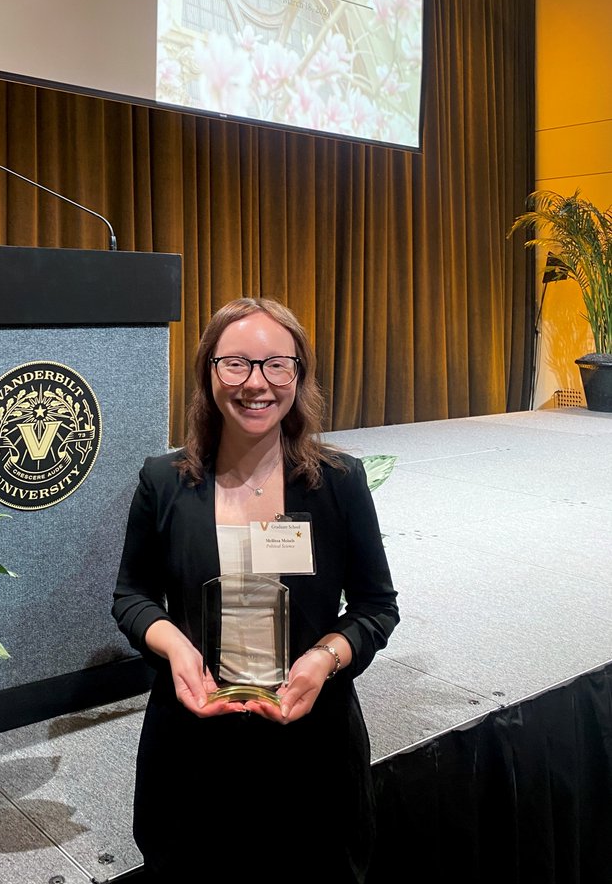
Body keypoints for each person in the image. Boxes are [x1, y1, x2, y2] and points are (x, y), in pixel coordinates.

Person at [113, 298, 398, 883]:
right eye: (236, 364)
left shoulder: (339, 483)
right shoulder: (164, 481)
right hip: (195, 741)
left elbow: (375, 607)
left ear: (298, 375)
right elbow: (132, 596)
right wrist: (177, 648)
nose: (257, 384)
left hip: (311, 741)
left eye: (276, 365)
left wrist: (324, 657)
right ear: (208, 372)